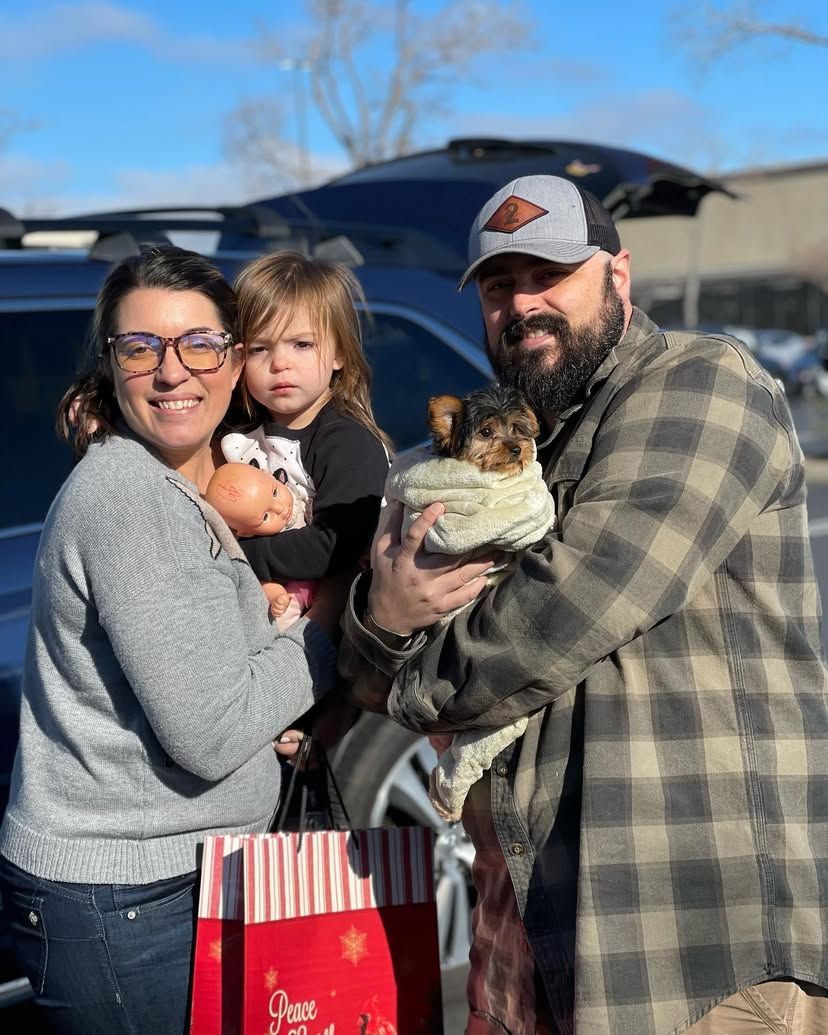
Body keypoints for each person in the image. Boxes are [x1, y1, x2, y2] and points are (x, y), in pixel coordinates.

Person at [339, 175, 828, 1034]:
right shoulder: (514, 439)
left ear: (619, 274)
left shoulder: (703, 384)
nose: (522, 303)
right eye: (498, 285)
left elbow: (564, 607)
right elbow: (381, 608)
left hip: (694, 957)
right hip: (527, 950)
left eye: (549, 273)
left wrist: (401, 668)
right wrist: (381, 617)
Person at [0, 245, 338, 1035]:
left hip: (176, 880)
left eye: (200, 343)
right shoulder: (131, 499)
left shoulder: (201, 483)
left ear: (234, 357)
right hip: (130, 904)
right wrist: (338, 627)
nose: (172, 370)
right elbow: (212, 731)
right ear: (111, 365)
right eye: (141, 346)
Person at [220, 251, 390, 626]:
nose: (280, 363)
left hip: (342, 632)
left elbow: (334, 545)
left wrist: (239, 556)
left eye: (301, 345)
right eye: (260, 348)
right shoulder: (237, 434)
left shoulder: (348, 443)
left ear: (339, 353)